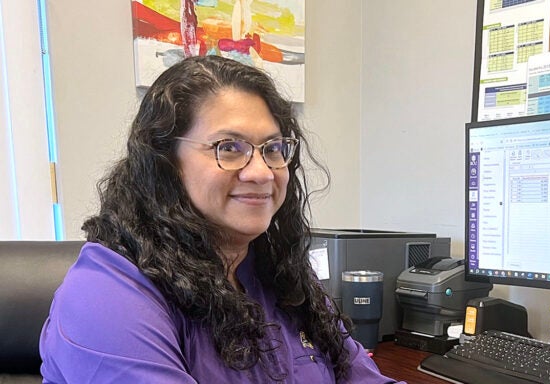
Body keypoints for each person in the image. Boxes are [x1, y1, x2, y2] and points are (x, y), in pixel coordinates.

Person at [39, 55, 402, 383]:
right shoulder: (106, 295)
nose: (262, 172)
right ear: (166, 163)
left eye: (273, 149)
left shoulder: (282, 275)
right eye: (228, 148)